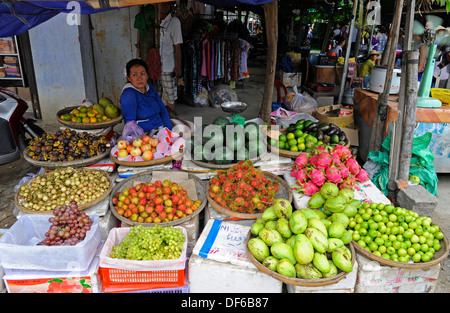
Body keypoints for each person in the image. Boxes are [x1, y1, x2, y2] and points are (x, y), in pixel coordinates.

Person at [120, 58, 172, 132]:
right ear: (129, 78)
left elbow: (163, 110)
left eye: (142, 74)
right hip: (144, 133)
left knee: (189, 131)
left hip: (160, 126)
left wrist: (169, 130)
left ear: (147, 75)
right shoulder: (129, 95)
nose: (139, 78)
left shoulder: (150, 88)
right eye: (135, 75)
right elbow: (130, 123)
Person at [159, 1, 183, 116]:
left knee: (170, 94)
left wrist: (178, 67)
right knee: (158, 92)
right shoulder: (155, 20)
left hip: (168, 65)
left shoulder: (174, 22)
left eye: (166, 3)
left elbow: (177, 46)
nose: (163, 5)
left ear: (170, 5)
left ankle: (171, 117)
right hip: (155, 66)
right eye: (161, 3)